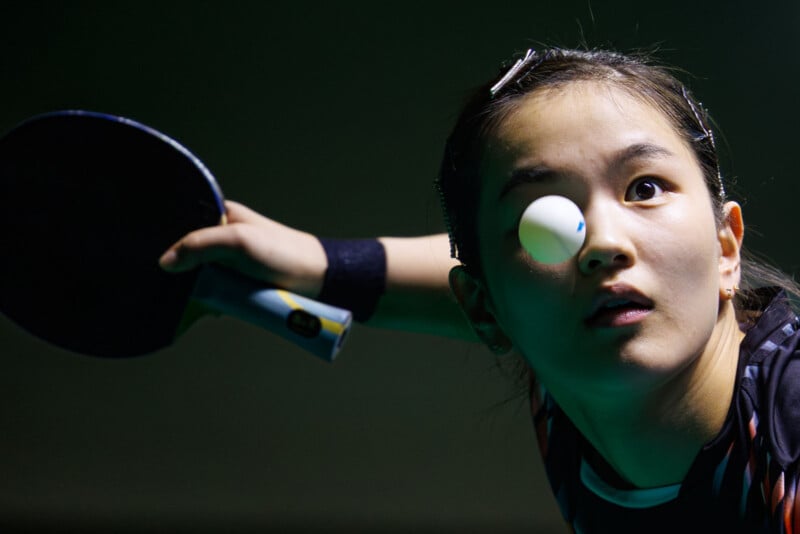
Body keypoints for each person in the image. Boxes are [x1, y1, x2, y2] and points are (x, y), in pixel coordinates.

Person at [159, 48, 800, 532]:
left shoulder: (786, 426)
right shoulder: (570, 349)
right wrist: (315, 264)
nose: (603, 244)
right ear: (486, 310)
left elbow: (508, 280)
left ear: (725, 247)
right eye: (542, 220)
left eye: (644, 188)